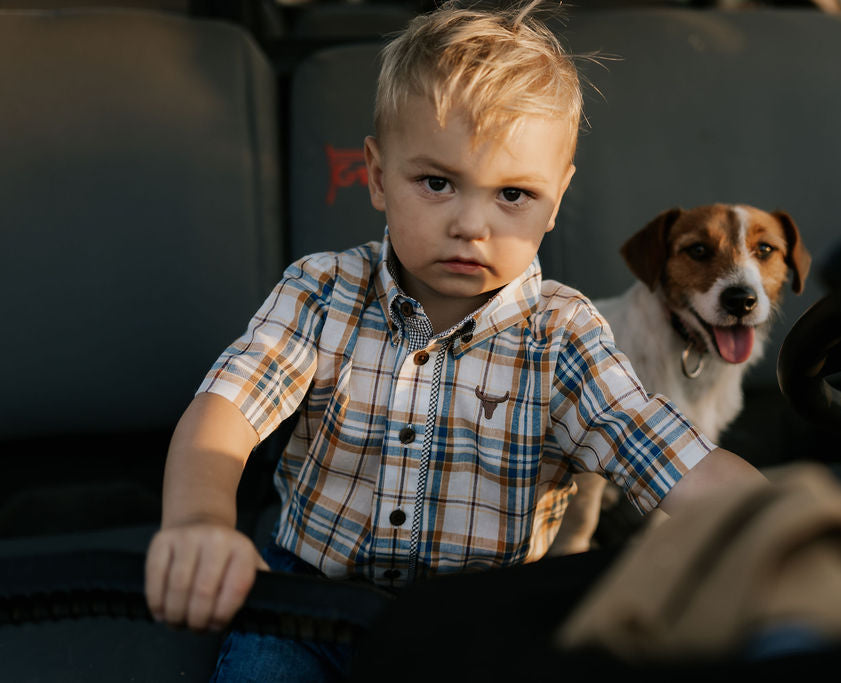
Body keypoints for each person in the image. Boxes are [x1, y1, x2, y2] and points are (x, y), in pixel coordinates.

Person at [144, 0, 763, 678]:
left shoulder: (564, 334)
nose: (473, 223)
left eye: (513, 195)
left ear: (556, 200)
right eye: (437, 182)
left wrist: (783, 526)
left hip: (477, 625)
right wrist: (200, 518)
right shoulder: (320, 292)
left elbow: (672, 455)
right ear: (378, 177)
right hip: (308, 605)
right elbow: (225, 410)